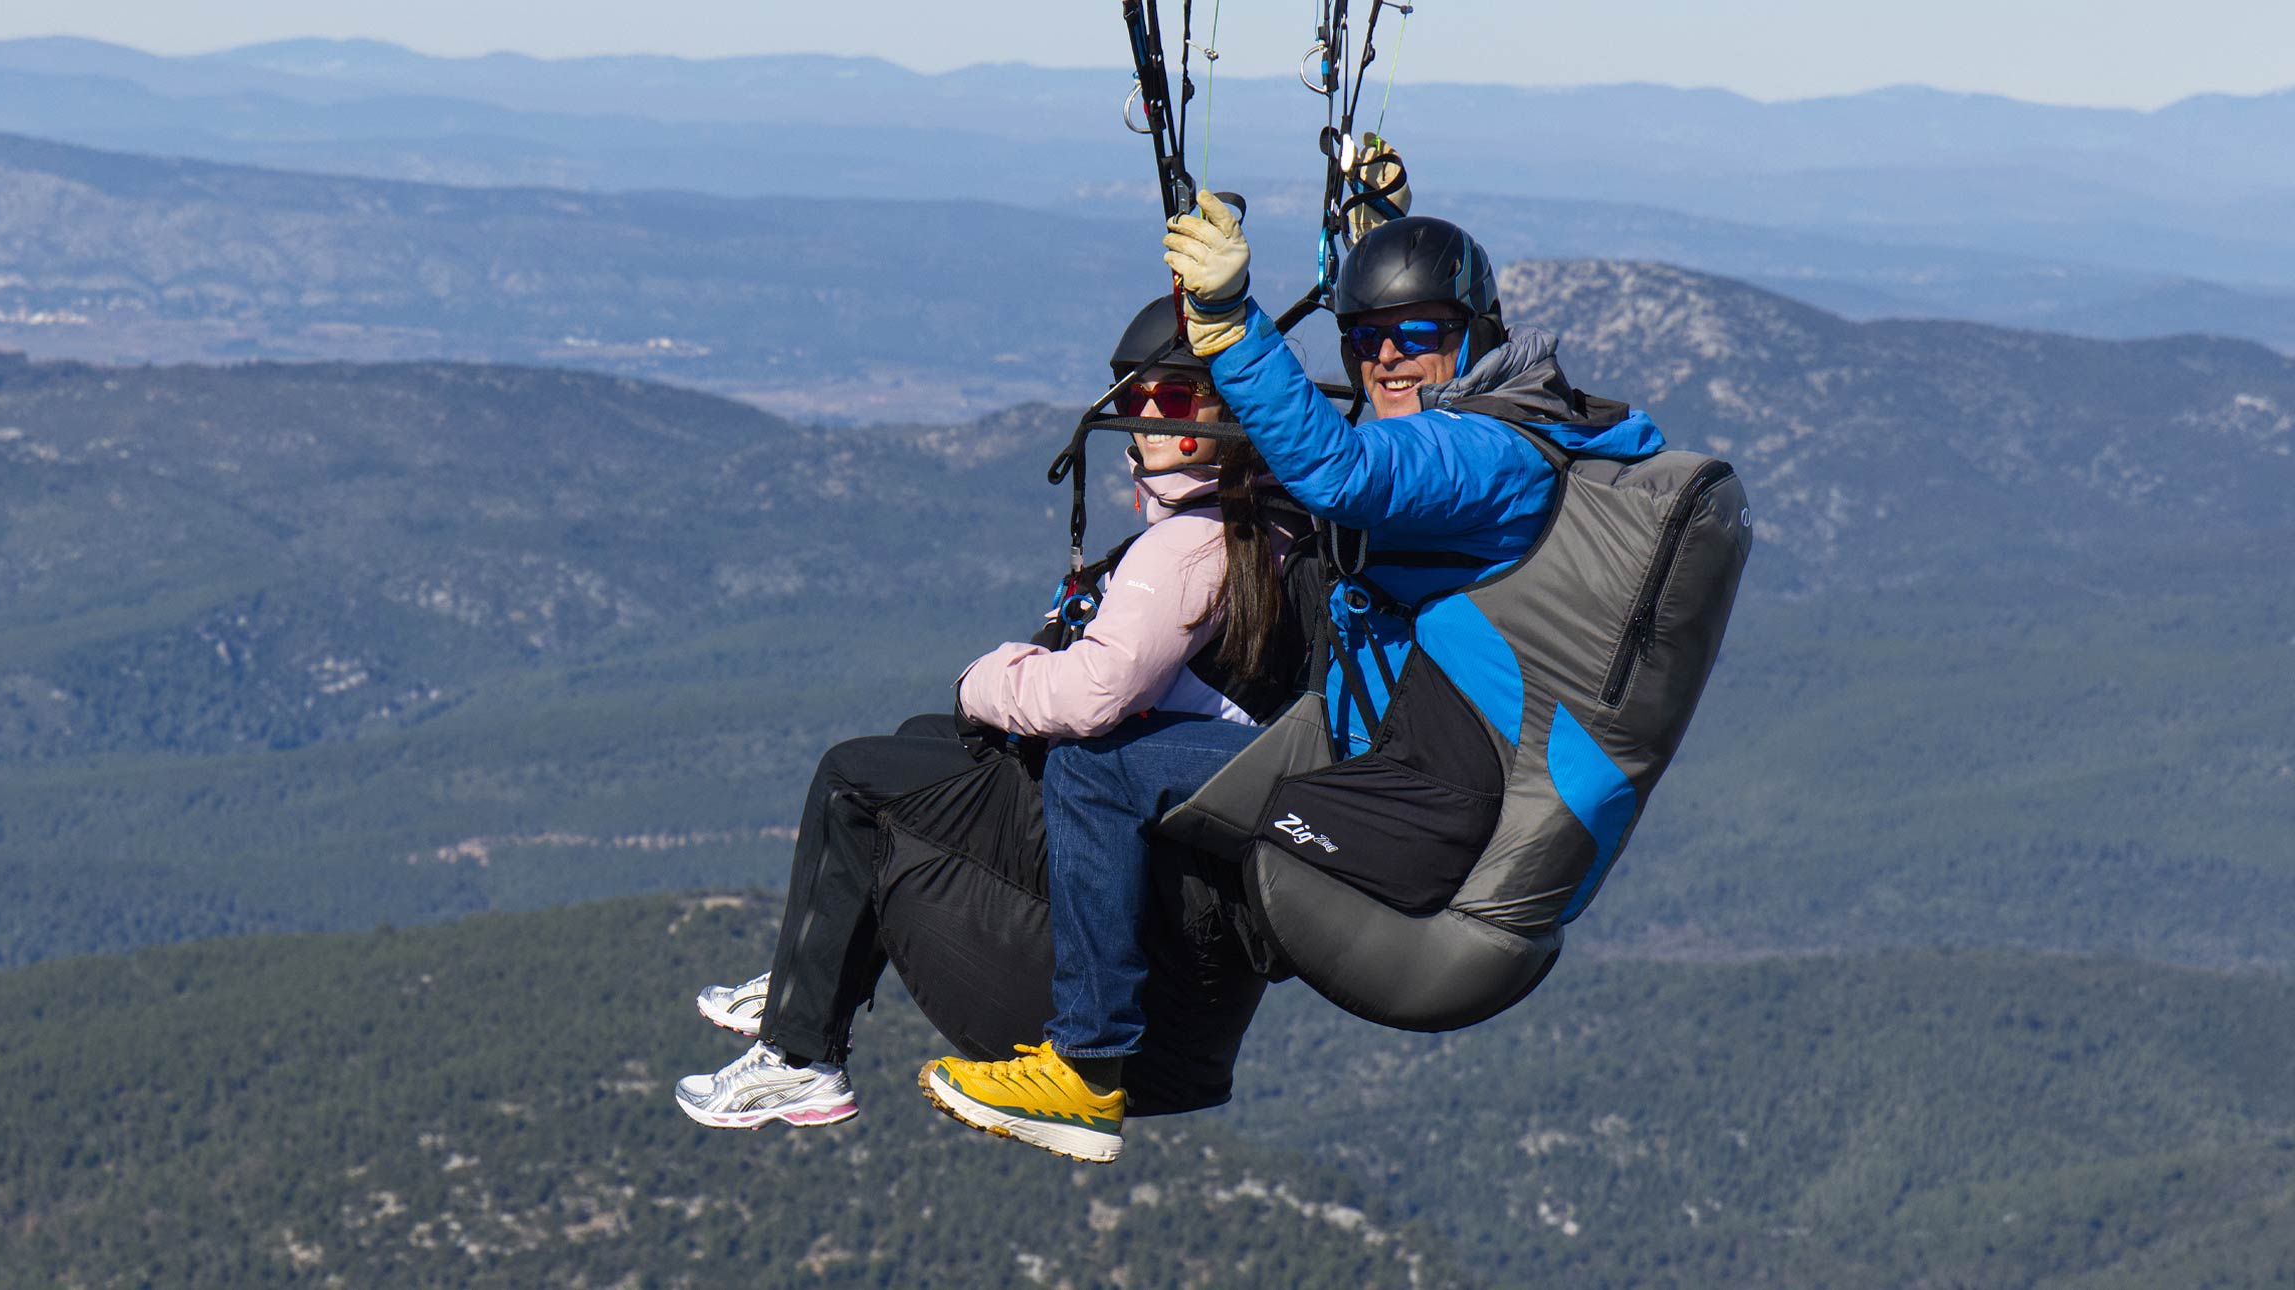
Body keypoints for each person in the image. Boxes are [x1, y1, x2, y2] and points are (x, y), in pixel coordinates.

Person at [923, 146, 1672, 1162]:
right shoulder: (1501, 426)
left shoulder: (1489, 453)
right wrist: (1367, 242)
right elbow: (1384, 427)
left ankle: (1085, 1065)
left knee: (1100, 765)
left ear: (1480, 336)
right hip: (1407, 772)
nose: (1385, 359)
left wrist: (1228, 323)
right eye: (1366, 340)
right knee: (1153, 742)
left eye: (1420, 336)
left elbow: (1342, 466)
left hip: (1418, 805)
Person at [674, 301, 1295, 1144]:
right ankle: (811, 975)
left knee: (854, 777)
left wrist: (987, 680)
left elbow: (1092, 696)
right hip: (1170, 828)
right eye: (1139, 395)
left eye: (1176, 400)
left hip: (1119, 832)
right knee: (920, 740)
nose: (1147, 416)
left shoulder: (1189, 546)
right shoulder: (1271, 517)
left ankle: (799, 1055)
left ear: (1233, 414)